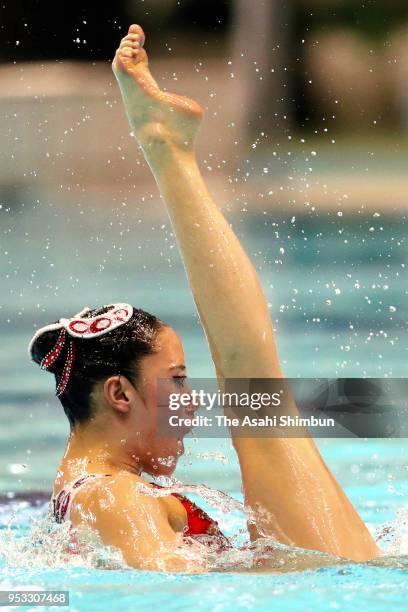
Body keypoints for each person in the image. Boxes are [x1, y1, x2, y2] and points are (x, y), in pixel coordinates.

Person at [28, 24, 379, 572]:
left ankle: (169, 152)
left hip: (301, 579)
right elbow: (177, 595)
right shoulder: (112, 498)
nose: (191, 401)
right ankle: (167, 152)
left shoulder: (96, 493)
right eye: (177, 381)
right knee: (255, 394)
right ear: (120, 393)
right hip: (305, 584)